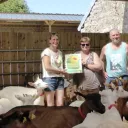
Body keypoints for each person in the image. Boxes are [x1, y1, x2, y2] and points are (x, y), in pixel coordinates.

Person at [41, 33, 67, 106]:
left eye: (57, 39)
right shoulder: (46, 52)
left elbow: (59, 66)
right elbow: (47, 67)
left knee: (60, 103)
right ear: (49, 41)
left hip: (60, 79)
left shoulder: (60, 53)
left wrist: (67, 70)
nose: (55, 41)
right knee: (50, 104)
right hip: (49, 79)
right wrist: (61, 71)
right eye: (53, 39)